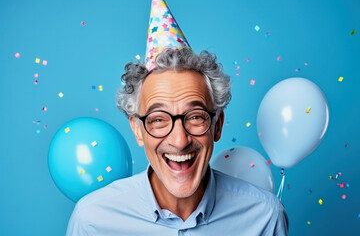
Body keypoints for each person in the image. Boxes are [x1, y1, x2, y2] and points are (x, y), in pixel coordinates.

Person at [66, 48, 289, 235]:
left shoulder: (266, 217)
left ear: (217, 126)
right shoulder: (92, 221)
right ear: (137, 130)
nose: (179, 141)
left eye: (195, 117)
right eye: (158, 119)